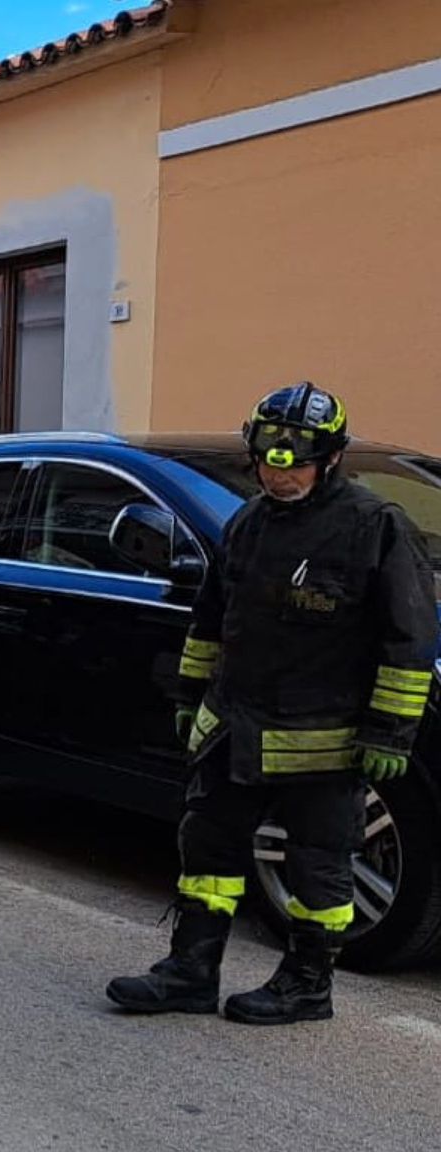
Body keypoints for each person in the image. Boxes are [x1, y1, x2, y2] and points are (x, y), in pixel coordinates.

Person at [107, 383, 436, 1025]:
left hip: (324, 738)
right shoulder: (248, 523)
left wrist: (391, 735)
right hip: (235, 728)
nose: (279, 473)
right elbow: (210, 618)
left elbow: (409, 638)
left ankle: (307, 985)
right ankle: (190, 971)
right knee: (209, 850)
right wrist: (190, 694)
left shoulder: (374, 528)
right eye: (268, 458)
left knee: (318, 866)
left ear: (331, 458)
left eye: (296, 460)